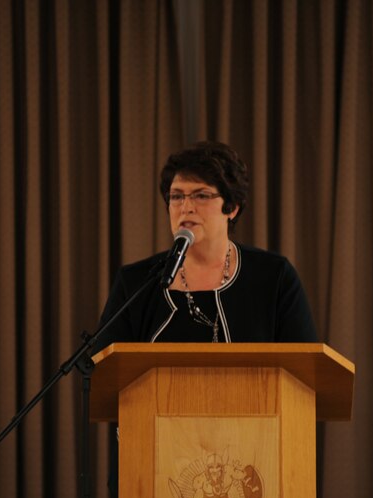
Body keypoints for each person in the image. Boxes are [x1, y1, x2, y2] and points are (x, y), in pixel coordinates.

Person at [93, 140, 317, 351]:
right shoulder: (136, 283)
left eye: (201, 195)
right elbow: (102, 372)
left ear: (232, 207)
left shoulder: (273, 277)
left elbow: (305, 371)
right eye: (177, 196)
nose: (186, 207)